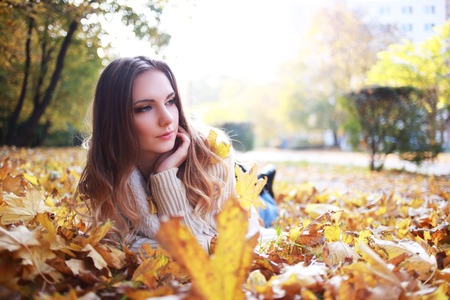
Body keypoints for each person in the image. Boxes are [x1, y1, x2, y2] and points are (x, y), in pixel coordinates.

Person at [76, 56, 277, 252]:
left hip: (235, 194)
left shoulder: (212, 150)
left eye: (170, 101)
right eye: (145, 108)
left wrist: (164, 178)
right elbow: (117, 243)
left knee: (266, 209)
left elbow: (211, 244)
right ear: (115, 120)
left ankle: (264, 183)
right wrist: (166, 171)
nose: (167, 119)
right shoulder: (110, 168)